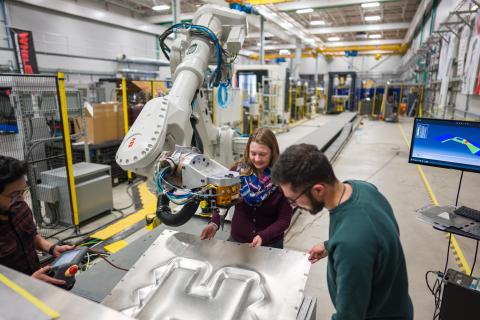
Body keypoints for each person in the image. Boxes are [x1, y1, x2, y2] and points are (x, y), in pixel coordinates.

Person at [272, 144, 413, 320]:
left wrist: (343, 244)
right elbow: (372, 234)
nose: (295, 205)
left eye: (294, 200)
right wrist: (329, 245)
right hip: (395, 304)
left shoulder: (351, 245)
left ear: (318, 190)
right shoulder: (362, 188)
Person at [200, 128, 293, 249]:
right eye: (253, 153)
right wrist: (214, 223)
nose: (257, 159)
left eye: (263, 154)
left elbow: (284, 220)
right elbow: (223, 202)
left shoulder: (283, 179)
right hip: (238, 240)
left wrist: (263, 236)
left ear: (273, 152)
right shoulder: (236, 173)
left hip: (269, 244)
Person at [0, 155, 74, 285]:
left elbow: (31, 236)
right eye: (14, 195)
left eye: (23, 192)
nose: (21, 199)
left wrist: (51, 248)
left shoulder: (19, 207)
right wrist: (28, 283)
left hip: (39, 285)